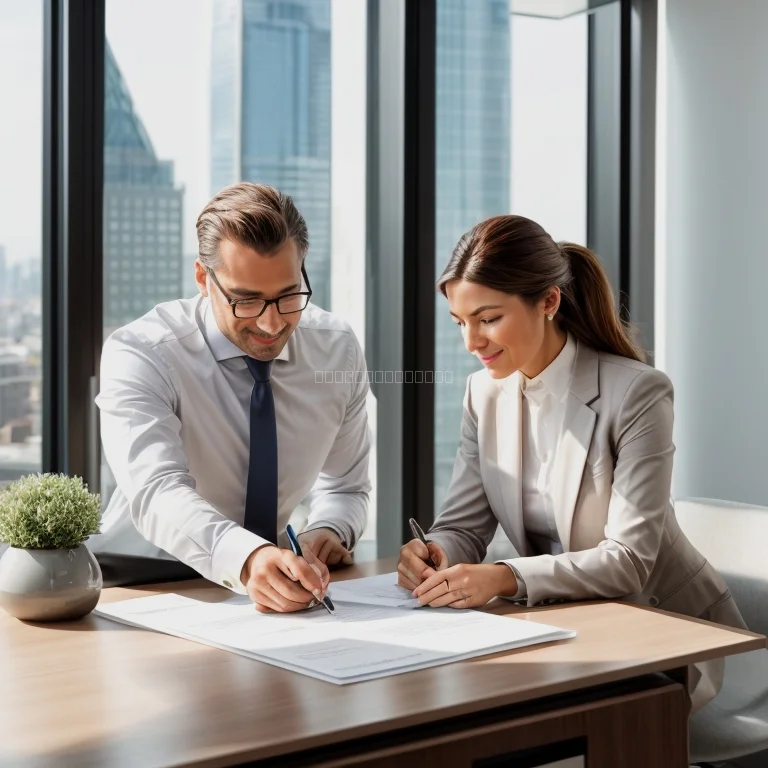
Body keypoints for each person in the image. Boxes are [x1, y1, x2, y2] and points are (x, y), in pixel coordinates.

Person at [397, 214, 744, 710]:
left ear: (549, 302)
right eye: (460, 322)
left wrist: (504, 576)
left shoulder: (637, 393)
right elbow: (464, 526)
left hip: (667, 636)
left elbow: (627, 562)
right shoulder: (484, 392)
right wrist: (434, 550)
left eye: (488, 318)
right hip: (566, 625)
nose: (471, 343)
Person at [90, 182, 371, 614]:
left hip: (272, 591)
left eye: (288, 295)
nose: (272, 322)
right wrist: (246, 558)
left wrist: (329, 528)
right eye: (246, 300)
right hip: (141, 586)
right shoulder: (143, 352)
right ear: (204, 279)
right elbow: (157, 489)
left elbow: (346, 485)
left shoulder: (336, 348)